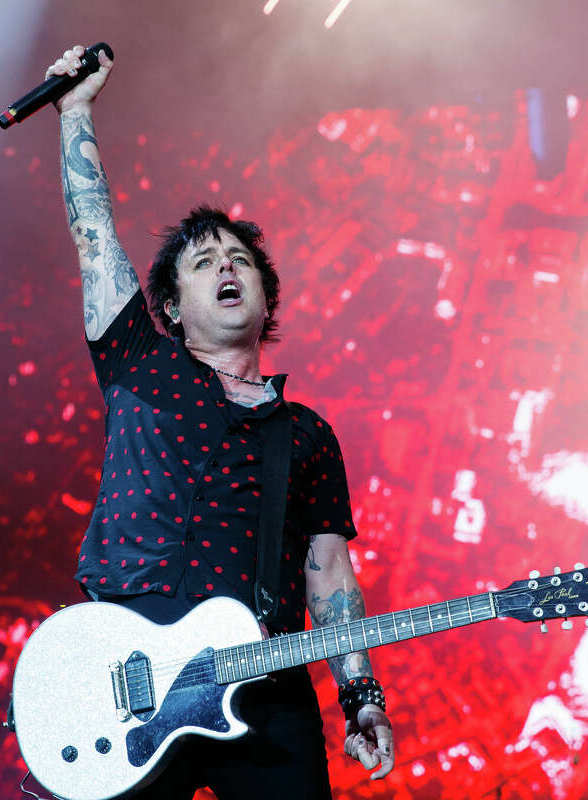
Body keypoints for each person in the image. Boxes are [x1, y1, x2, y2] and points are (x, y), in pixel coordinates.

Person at [47, 45, 394, 798]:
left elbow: (328, 572)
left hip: (263, 683)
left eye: (240, 260)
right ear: (170, 306)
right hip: (126, 667)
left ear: (267, 301)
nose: (227, 267)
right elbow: (95, 237)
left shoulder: (305, 433)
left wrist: (361, 692)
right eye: (204, 263)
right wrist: (76, 112)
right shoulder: (141, 362)